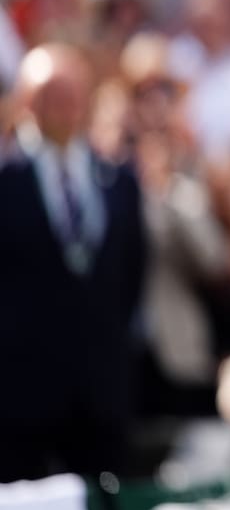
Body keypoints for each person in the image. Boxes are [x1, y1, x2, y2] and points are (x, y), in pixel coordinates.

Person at [0, 41, 147, 482]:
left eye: (71, 93)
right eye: (50, 95)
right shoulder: (6, 182)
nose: (64, 106)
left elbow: (132, 274)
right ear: (26, 102)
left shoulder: (119, 179)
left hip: (101, 390)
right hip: (21, 395)